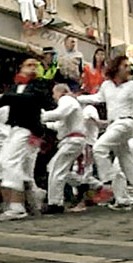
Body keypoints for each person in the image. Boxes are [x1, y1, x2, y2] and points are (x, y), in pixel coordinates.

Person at [77, 55, 133, 213]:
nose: (129, 68)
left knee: (99, 148)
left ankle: (107, 184)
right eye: (125, 65)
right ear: (116, 67)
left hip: (126, 123)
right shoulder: (106, 85)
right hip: (114, 124)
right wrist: (78, 97)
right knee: (128, 165)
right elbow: (98, 98)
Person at [0, 58, 55, 221]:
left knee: (10, 162)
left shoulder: (39, 86)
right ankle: (33, 198)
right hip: (15, 130)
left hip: (28, 130)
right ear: (21, 68)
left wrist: (4, 97)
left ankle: (17, 206)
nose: (33, 68)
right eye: (29, 65)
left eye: (36, 66)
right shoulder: (14, 87)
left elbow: (26, 99)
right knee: (7, 164)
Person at [41, 84, 87, 214]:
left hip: (72, 140)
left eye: (54, 93)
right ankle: (83, 183)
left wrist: (41, 116)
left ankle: (55, 202)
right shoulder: (71, 104)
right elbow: (59, 124)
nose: (53, 97)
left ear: (60, 92)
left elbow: (59, 114)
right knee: (56, 168)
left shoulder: (66, 100)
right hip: (73, 140)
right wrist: (44, 123)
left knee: (56, 169)